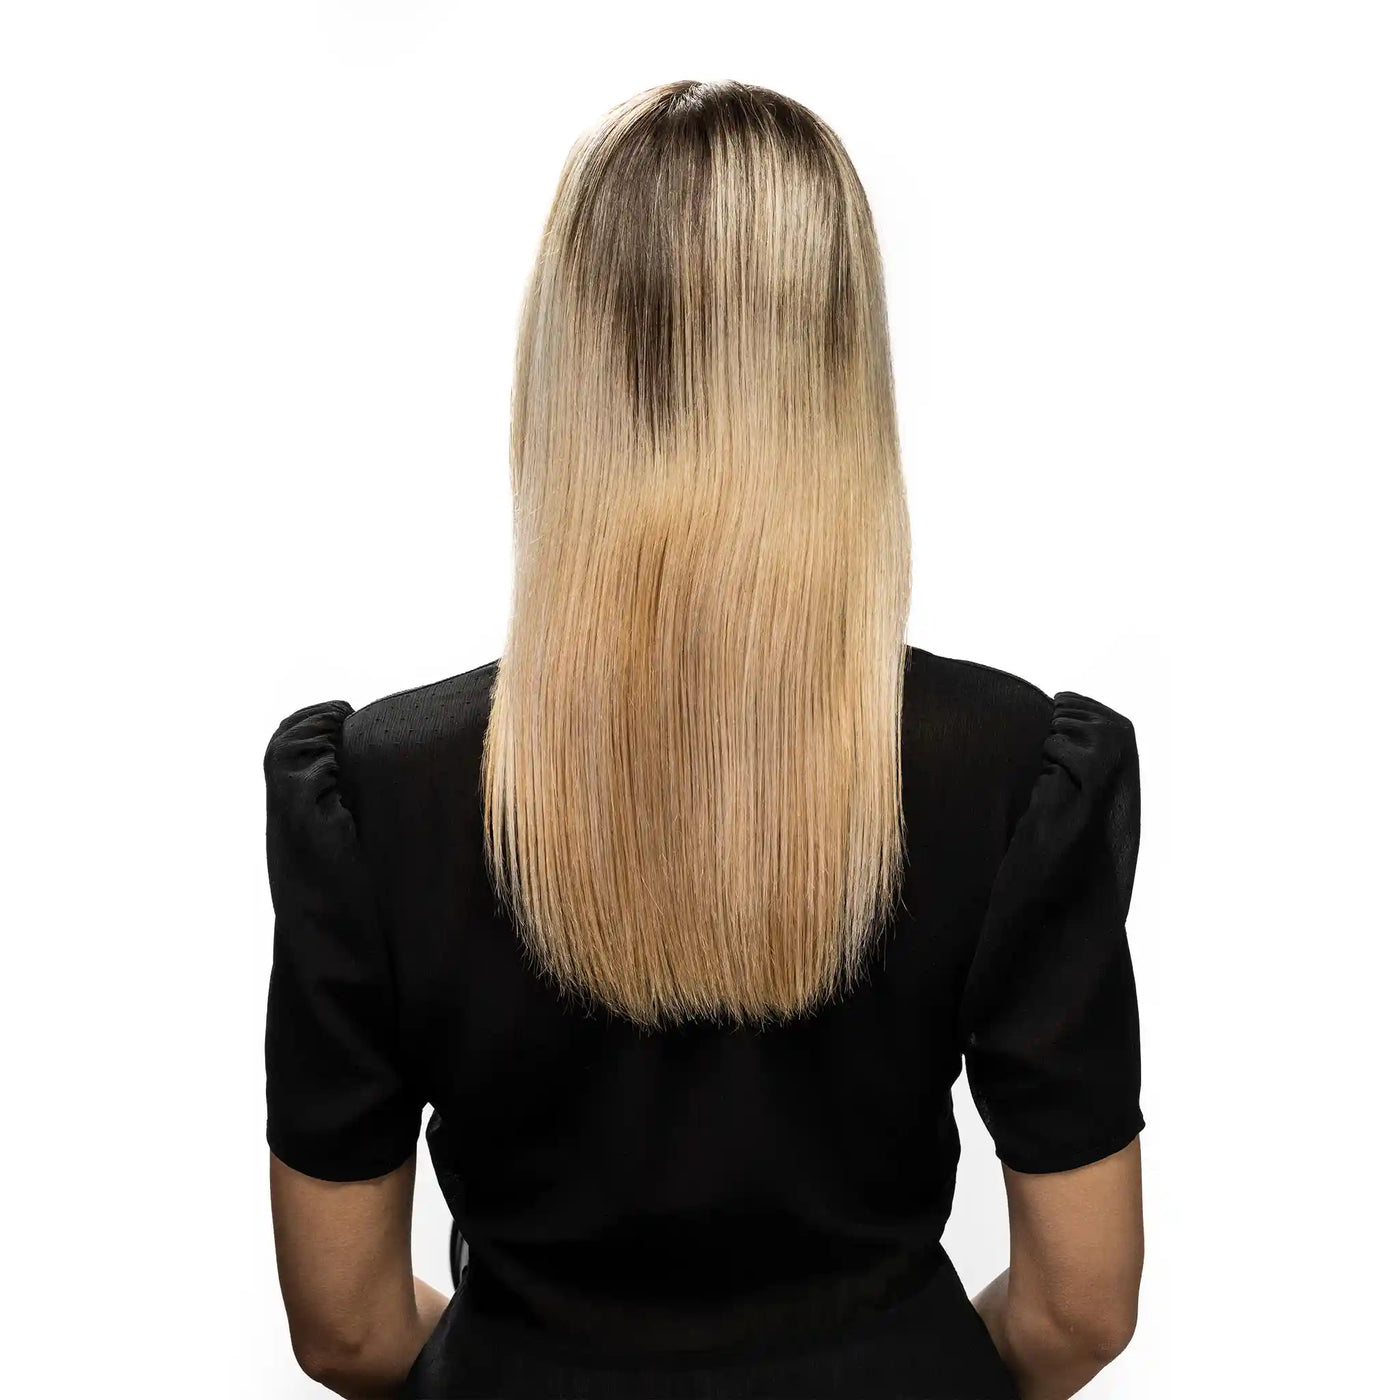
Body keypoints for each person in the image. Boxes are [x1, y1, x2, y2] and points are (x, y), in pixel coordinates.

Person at [263, 79, 1145, 1400]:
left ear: (562, 363)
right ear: (845, 365)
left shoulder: (384, 793)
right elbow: (1079, 1309)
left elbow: (345, 1328)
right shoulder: (1010, 774)